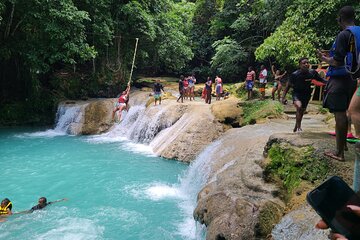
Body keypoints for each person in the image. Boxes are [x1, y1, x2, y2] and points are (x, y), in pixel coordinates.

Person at [317, 6, 358, 161]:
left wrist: (323, 58)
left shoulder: (343, 34)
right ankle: (344, 145)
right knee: (346, 112)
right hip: (352, 80)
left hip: (339, 80)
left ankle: (339, 153)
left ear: (340, 17)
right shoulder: (357, 32)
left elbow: (336, 61)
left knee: (339, 114)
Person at [282, 57, 327, 133]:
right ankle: (299, 128)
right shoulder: (295, 74)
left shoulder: (312, 72)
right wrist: (283, 97)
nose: (306, 64)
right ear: (299, 65)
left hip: (307, 94)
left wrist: (330, 82)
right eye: (304, 63)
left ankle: (297, 125)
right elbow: (287, 86)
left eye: (307, 63)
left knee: (302, 111)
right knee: (299, 107)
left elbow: (321, 80)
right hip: (297, 93)